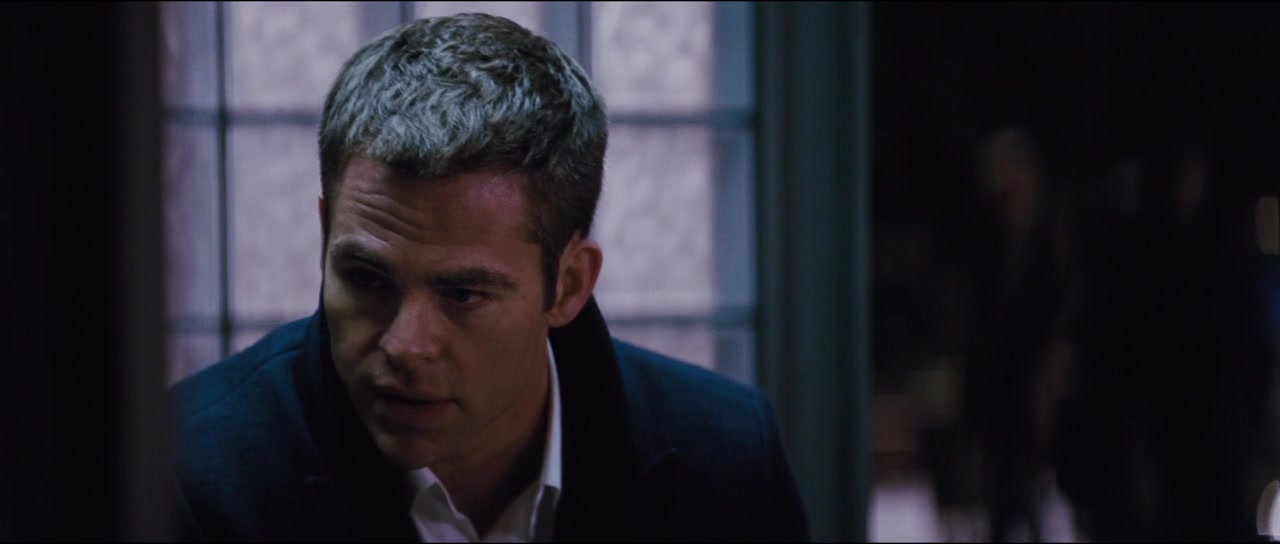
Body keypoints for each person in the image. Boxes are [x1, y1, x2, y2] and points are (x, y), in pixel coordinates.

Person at [168, 13, 809, 542]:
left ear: (569, 285)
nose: (405, 345)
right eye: (367, 278)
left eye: (463, 294)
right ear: (324, 234)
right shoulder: (187, 472)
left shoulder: (725, 458)